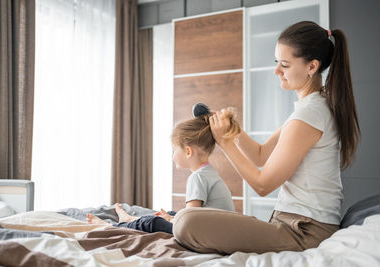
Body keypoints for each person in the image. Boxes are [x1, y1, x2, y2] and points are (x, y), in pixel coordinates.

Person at [173, 21, 361, 255]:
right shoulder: (311, 108)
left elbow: (263, 185)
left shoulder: (309, 115)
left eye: (284, 65)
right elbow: (261, 156)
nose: (276, 71)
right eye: (277, 63)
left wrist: (225, 142)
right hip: (294, 225)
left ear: (312, 66)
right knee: (185, 219)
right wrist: (234, 130)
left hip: (304, 233)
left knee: (185, 222)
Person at [86, 112, 241, 234]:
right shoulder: (209, 172)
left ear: (188, 151)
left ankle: (112, 226)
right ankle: (130, 218)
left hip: (206, 237)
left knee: (152, 223)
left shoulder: (197, 177)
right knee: (171, 214)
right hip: (215, 232)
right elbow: (196, 214)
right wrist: (171, 217)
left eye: (174, 150)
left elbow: (190, 221)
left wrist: (171, 220)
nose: (172, 155)